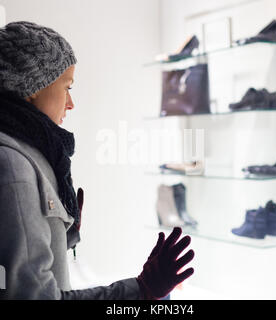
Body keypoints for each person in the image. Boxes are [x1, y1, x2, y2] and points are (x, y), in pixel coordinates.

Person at [0, 21, 194, 300]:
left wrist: (61, 235)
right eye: (66, 87)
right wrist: (142, 289)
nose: (70, 103)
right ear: (32, 85)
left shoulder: (28, 153)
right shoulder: (14, 165)